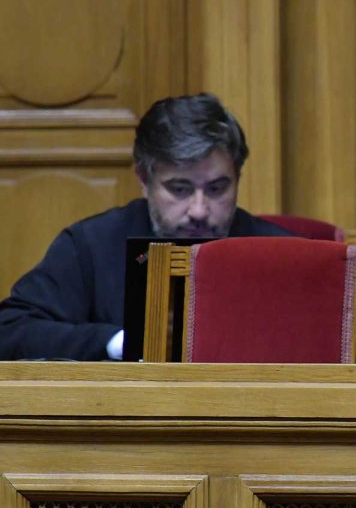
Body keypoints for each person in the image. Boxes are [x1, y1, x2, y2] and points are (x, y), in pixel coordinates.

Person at [0, 93, 292, 361]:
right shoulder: (90, 246)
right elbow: (10, 330)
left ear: (237, 177)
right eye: (179, 189)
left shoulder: (283, 254)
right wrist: (116, 342)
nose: (199, 210)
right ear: (144, 179)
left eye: (217, 189)